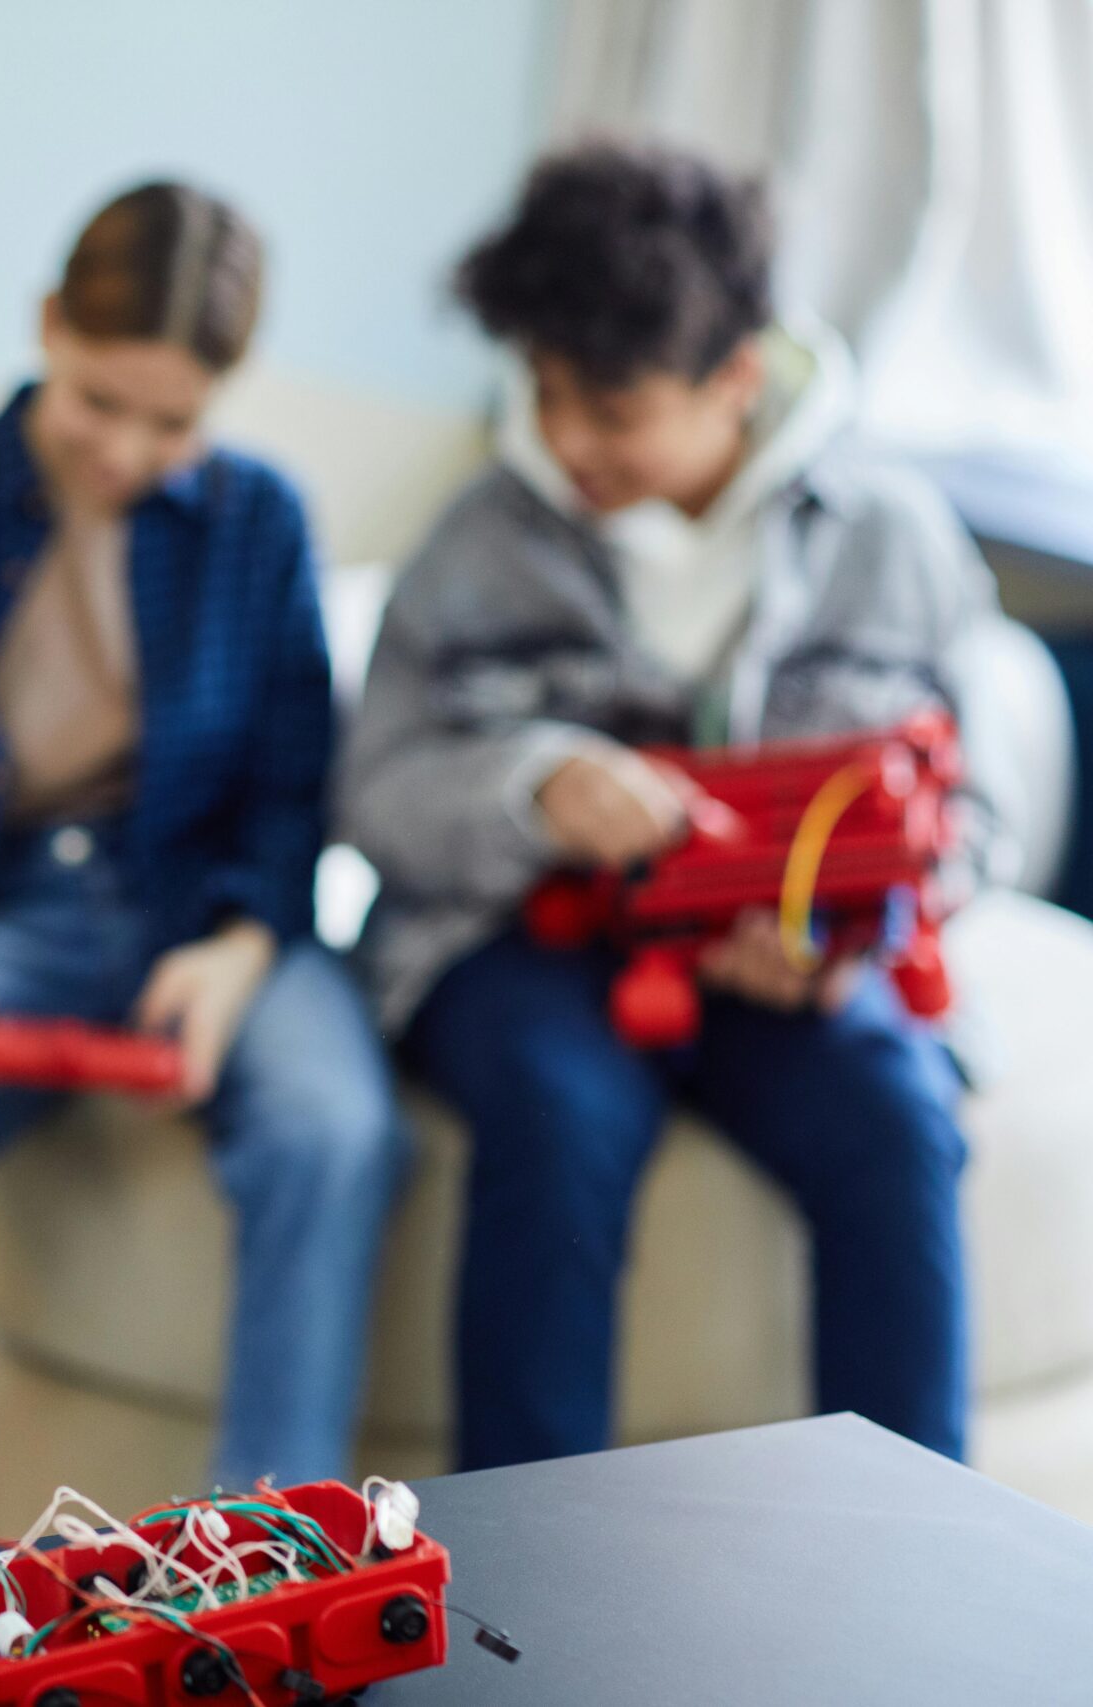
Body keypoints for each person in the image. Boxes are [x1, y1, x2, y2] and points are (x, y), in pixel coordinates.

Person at [341, 140, 1016, 1472]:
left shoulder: (891, 536)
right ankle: (525, 1618)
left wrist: (848, 940)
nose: (566, 435)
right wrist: (535, 788)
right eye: (541, 387)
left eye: (610, 404)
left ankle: (927, 1565)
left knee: (897, 1118)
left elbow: (975, 808)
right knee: (557, 1113)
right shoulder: (479, 536)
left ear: (738, 380)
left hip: (785, 973)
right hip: (528, 949)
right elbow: (375, 789)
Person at [0, 182, 406, 1538]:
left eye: (171, 421)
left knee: (335, 1128)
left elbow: (296, 798)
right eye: (99, 402)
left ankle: (270, 1549)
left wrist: (239, 957)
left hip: (210, 925)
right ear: (48, 327)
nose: (126, 447)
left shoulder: (262, 523)